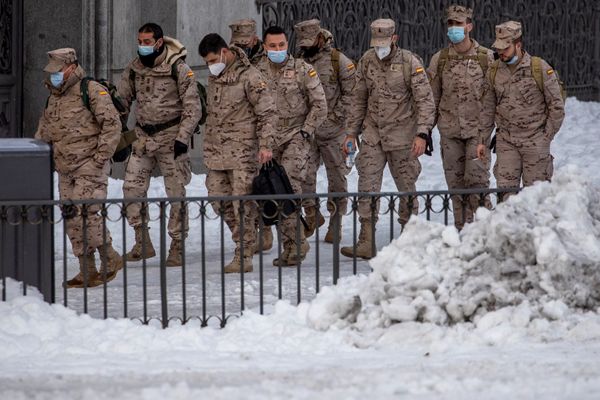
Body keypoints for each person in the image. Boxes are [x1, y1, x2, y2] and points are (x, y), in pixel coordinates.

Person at [340, 19, 435, 260]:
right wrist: (351, 132)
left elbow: (425, 101)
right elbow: (358, 98)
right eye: (376, 43)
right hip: (373, 134)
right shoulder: (367, 61)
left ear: (394, 39)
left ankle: (409, 237)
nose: (379, 47)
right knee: (367, 185)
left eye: (384, 42)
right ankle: (366, 240)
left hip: (403, 135)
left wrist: (422, 134)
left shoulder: (409, 63)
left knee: (406, 187)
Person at [34, 48, 122, 288]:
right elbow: (44, 130)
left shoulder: (91, 90)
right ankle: (87, 270)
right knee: (72, 218)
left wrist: (99, 159)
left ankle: (109, 257)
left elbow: (112, 126)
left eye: (58, 71)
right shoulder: (53, 96)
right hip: (65, 168)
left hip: (89, 165)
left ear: (71, 67)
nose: (54, 76)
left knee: (88, 214)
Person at [117, 23, 201, 267]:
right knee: (131, 189)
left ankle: (177, 246)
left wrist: (182, 139)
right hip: (142, 138)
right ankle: (142, 242)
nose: (142, 46)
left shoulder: (179, 69)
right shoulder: (134, 68)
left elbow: (193, 108)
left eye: (147, 41)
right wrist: (119, 131)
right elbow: (122, 101)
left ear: (159, 42)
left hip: (171, 138)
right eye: (140, 41)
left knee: (176, 193)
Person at [198, 33, 276, 273]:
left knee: (241, 204)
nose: (211, 66)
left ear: (225, 52)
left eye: (213, 60)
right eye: (207, 62)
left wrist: (265, 145)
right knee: (218, 201)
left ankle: (243, 253)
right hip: (216, 153)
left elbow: (267, 112)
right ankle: (253, 230)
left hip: (243, 153)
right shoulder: (216, 78)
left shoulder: (250, 76)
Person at [254, 25, 328, 266]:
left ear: (288, 45)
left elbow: (320, 105)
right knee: (273, 191)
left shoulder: (303, 70)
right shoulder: (256, 72)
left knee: (288, 187)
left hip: (296, 134)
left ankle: (295, 245)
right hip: (268, 138)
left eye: (282, 45)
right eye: (273, 46)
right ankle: (291, 244)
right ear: (265, 47)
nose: (278, 50)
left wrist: (306, 131)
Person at [426, 5, 495, 230]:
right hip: (450, 133)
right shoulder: (441, 59)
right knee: (456, 188)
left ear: (469, 26)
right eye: (450, 24)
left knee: (477, 184)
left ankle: (485, 232)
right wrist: (424, 130)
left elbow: (498, 96)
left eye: (459, 23)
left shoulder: (487, 58)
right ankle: (461, 231)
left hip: (478, 133)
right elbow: (432, 99)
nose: (454, 28)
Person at [294, 19, 356, 243]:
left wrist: (334, 119)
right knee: (303, 176)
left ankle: (336, 220)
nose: (307, 47)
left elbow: (352, 96)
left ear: (320, 38)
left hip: (334, 133)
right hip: (307, 132)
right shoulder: (299, 62)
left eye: (310, 42)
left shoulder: (339, 61)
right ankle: (312, 214)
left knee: (337, 179)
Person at [486, 21, 565, 192]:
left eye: (505, 49)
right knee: (506, 199)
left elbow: (557, 107)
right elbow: (488, 108)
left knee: (536, 196)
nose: (501, 53)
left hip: (535, 141)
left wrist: (546, 137)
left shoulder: (539, 68)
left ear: (518, 45)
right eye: (498, 49)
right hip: (506, 142)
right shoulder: (493, 71)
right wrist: (482, 140)